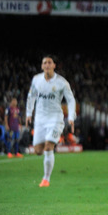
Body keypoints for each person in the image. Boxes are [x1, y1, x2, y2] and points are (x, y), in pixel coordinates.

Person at [25, 55, 76, 187]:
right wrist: (28, 114)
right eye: (44, 63)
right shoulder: (36, 80)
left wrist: (71, 117)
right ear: (42, 66)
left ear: (54, 65)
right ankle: (50, 144)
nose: (47, 65)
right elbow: (31, 97)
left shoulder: (61, 82)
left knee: (48, 147)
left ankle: (46, 179)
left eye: (49, 62)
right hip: (40, 120)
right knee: (38, 151)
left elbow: (70, 100)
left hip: (55, 119)